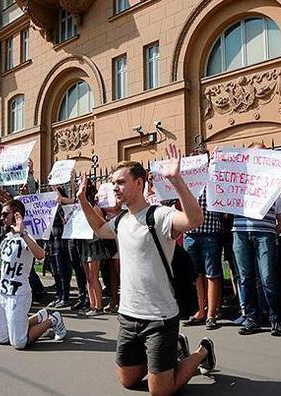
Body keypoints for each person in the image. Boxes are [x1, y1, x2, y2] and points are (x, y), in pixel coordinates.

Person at [77, 143, 216, 395]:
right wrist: (82, 201)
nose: (114, 188)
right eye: (113, 183)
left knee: (159, 392)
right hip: (128, 317)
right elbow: (99, 229)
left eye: (120, 182)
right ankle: (172, 351)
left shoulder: (159, 215)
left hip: (159, 318)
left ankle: (202, 351)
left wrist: (177, 181)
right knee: (127, 381)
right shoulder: (120, 220)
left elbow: (194, 220)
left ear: (139, 183)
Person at [0, 199, 66, 349]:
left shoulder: (27, 236)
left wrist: (23, 233)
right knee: (2, 338)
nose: (2, 217)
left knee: (19, 343)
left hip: (18, 294)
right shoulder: (7, 237)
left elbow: (40, 255)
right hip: (3, 293)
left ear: (16, 215)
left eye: (5, 214)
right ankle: (39, 316)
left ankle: (53, 320)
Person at [232, 144, 281, 337]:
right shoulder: (239, 181)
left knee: (268, 277)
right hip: (240, 232)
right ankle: (251, 319)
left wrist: (273, 232)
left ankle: (275, 318)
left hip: (265, 234)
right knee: (245, 278)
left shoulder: (274, 182)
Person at [182, 185, 224, 331]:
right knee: (196, 275)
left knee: (212, 274)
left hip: (210, 231)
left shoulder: (215, 177)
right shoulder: (187, 178)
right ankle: (201, 311)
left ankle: (211, 314)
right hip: (190, 232)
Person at [76, 180, 110, 316]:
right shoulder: (78, 207)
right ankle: (92, 304)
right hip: (84, 242)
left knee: (93, 275)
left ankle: (98, 306)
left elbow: (100, 224)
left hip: (94, 243)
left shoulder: (94, 207)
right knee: (88, 277)